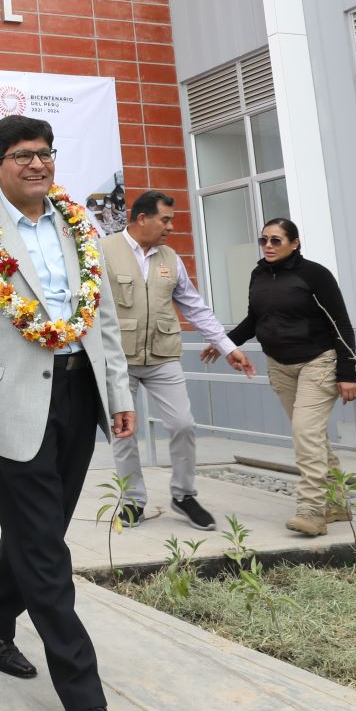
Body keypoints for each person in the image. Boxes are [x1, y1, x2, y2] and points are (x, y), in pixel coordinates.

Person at [0, 115, 135, 711]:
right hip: (13, 404)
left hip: (79, 395)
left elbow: (99, 320)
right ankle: (85, 701)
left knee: (36, 533)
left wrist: (120, 395)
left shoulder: (83, 230)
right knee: (46, 550)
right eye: (23, 156)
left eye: (45, 154)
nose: (38, 165)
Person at [105, 190, 255, 531]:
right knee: (124, 434)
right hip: (118, 360)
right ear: (142, 219)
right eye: (165, 219)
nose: (171, 227)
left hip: (162, 356)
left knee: (183, 424)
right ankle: (133, 501)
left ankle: (183, 495)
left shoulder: (171, 258)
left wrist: (229, 347)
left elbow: (195, 307)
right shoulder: (103, 251)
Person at [220, 217, 356, 537]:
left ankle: (312, 511)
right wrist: (225, 343)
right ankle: (336, 503)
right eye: (264, 240)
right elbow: (255, 319)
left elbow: (341, 324)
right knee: (312, 437)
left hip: (318, 363)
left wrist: (347, 373)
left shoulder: (315, 275)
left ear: (294, 243)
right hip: (280, 366)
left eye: (276, 241)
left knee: (304, 434)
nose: (268, 246)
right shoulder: (259, 274)